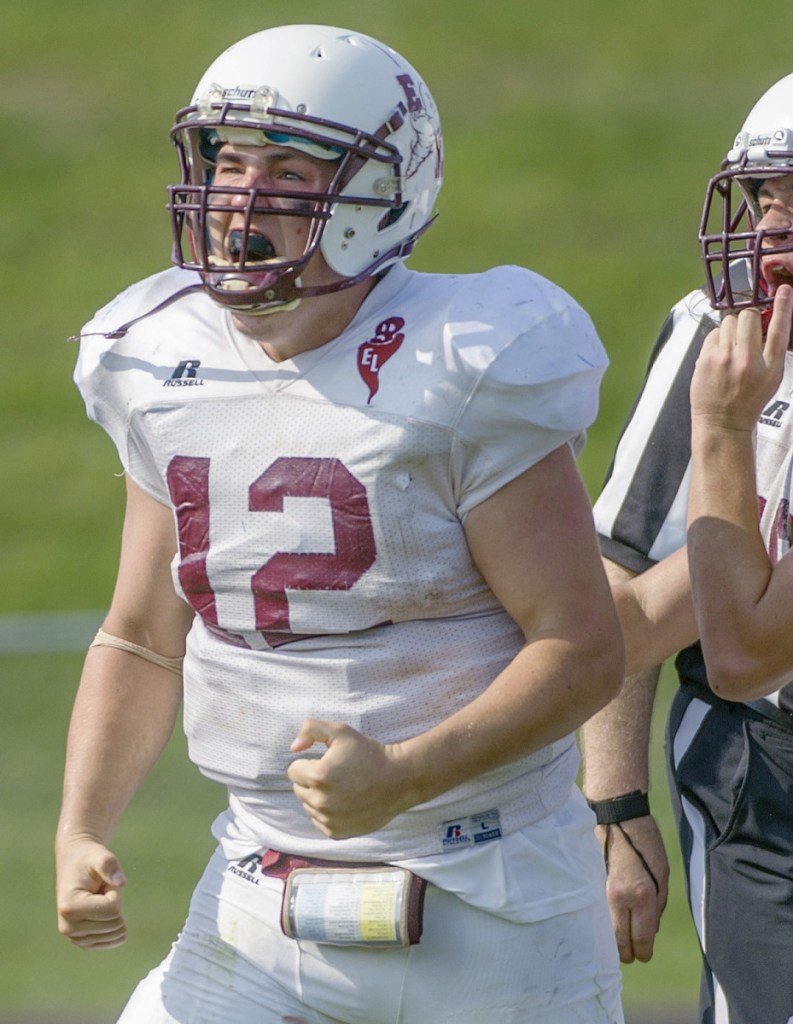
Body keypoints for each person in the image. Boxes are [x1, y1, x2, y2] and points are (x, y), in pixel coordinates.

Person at [54, 24, 627, 1024]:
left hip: (489, 896)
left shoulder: (466, 359)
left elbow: (580, 648)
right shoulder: (156, 355)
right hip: (256, 894)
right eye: (228, 161)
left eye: (285, 167)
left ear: (378, 193)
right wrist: (79, 826)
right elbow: (144, 633)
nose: (239, 194)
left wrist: (404, 774)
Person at [581, 72, 793, 1024]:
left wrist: (721, 428)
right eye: (763, 195)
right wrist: (613, 803)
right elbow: (627, 585)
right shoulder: (717, 328)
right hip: (759, 762)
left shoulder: (727, 391)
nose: (770, 227)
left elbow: (744, 647)